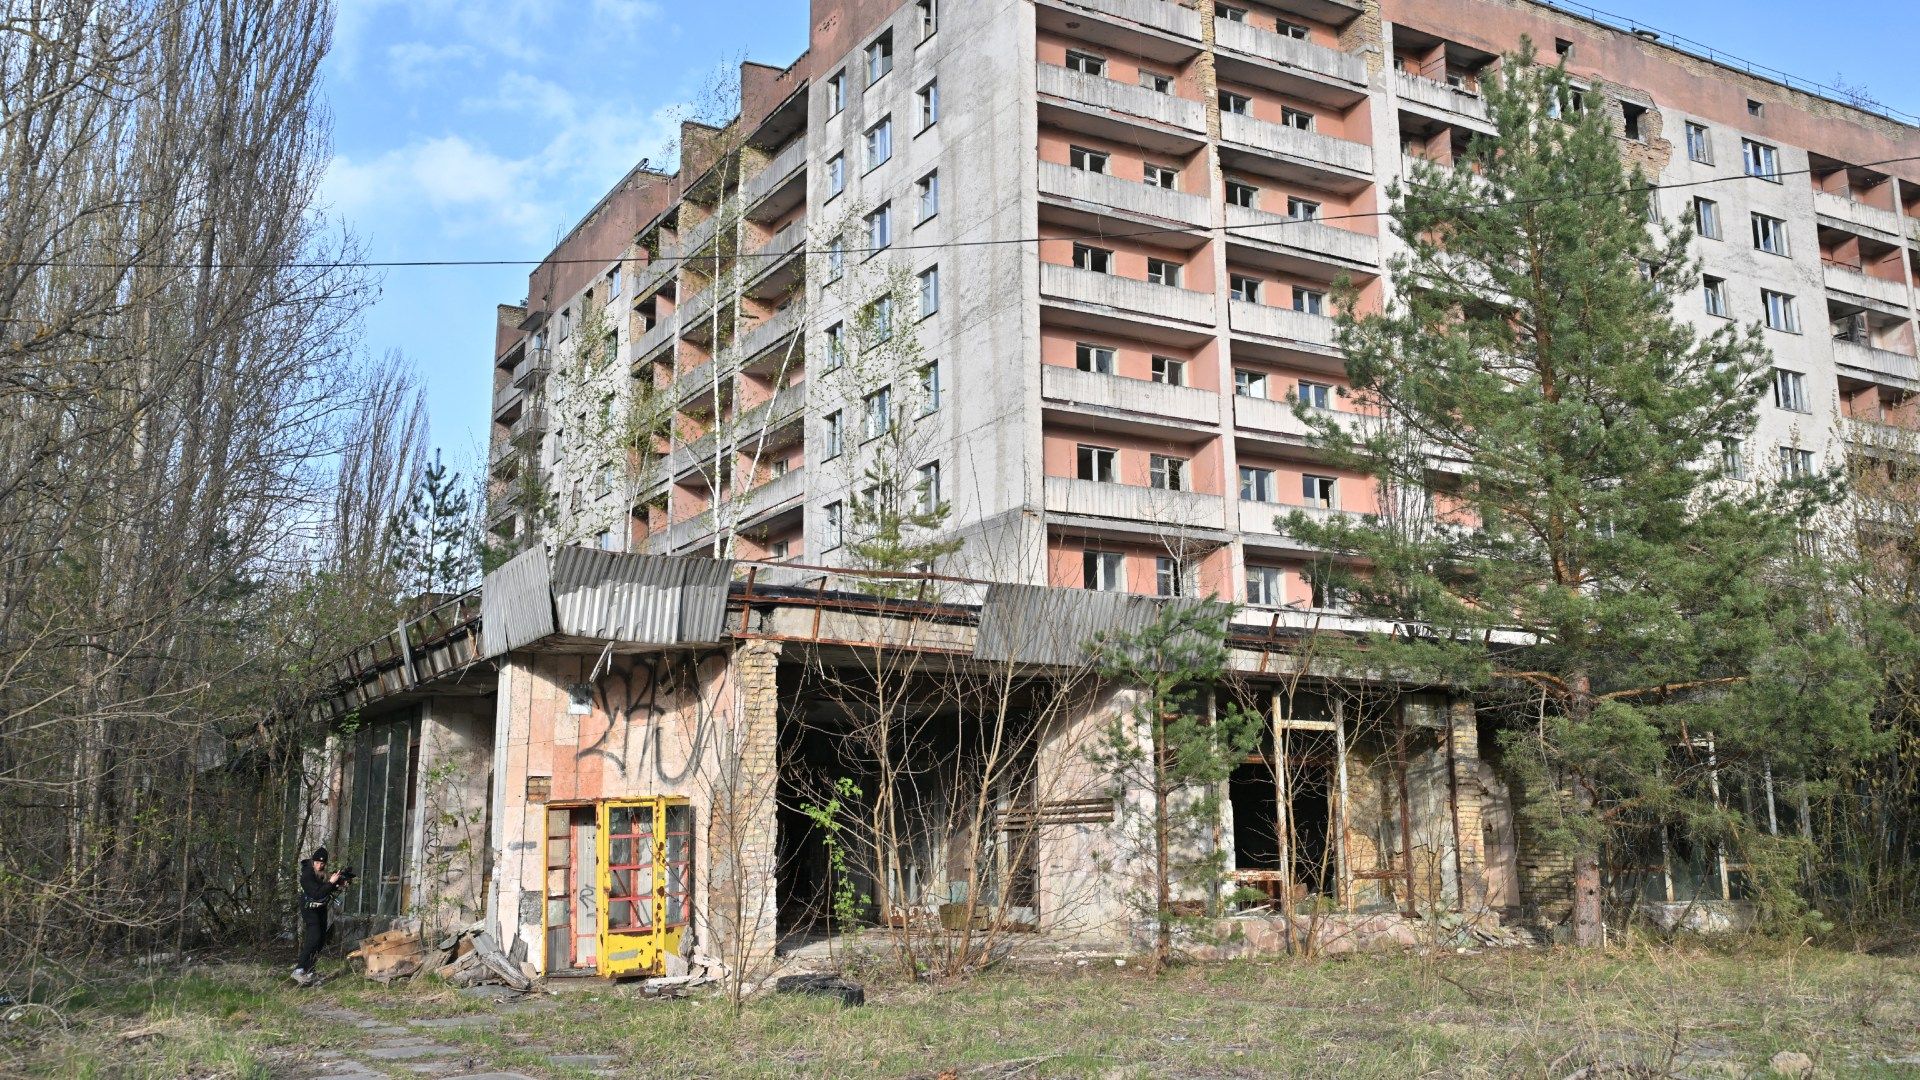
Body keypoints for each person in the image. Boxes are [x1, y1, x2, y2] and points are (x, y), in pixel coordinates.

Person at [293, 846, 344, 985]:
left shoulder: (320, 873)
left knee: (321, 939)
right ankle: (299, 969)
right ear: (312, 861)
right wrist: (331, 882)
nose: (320, 866)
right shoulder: (307, 876)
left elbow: (324, 889)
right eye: (317, 863)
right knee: (314, 936)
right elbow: (317, 893)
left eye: (322, 863)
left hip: (320, 907)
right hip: (309, 909)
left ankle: (310, 970)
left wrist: (338, 883)